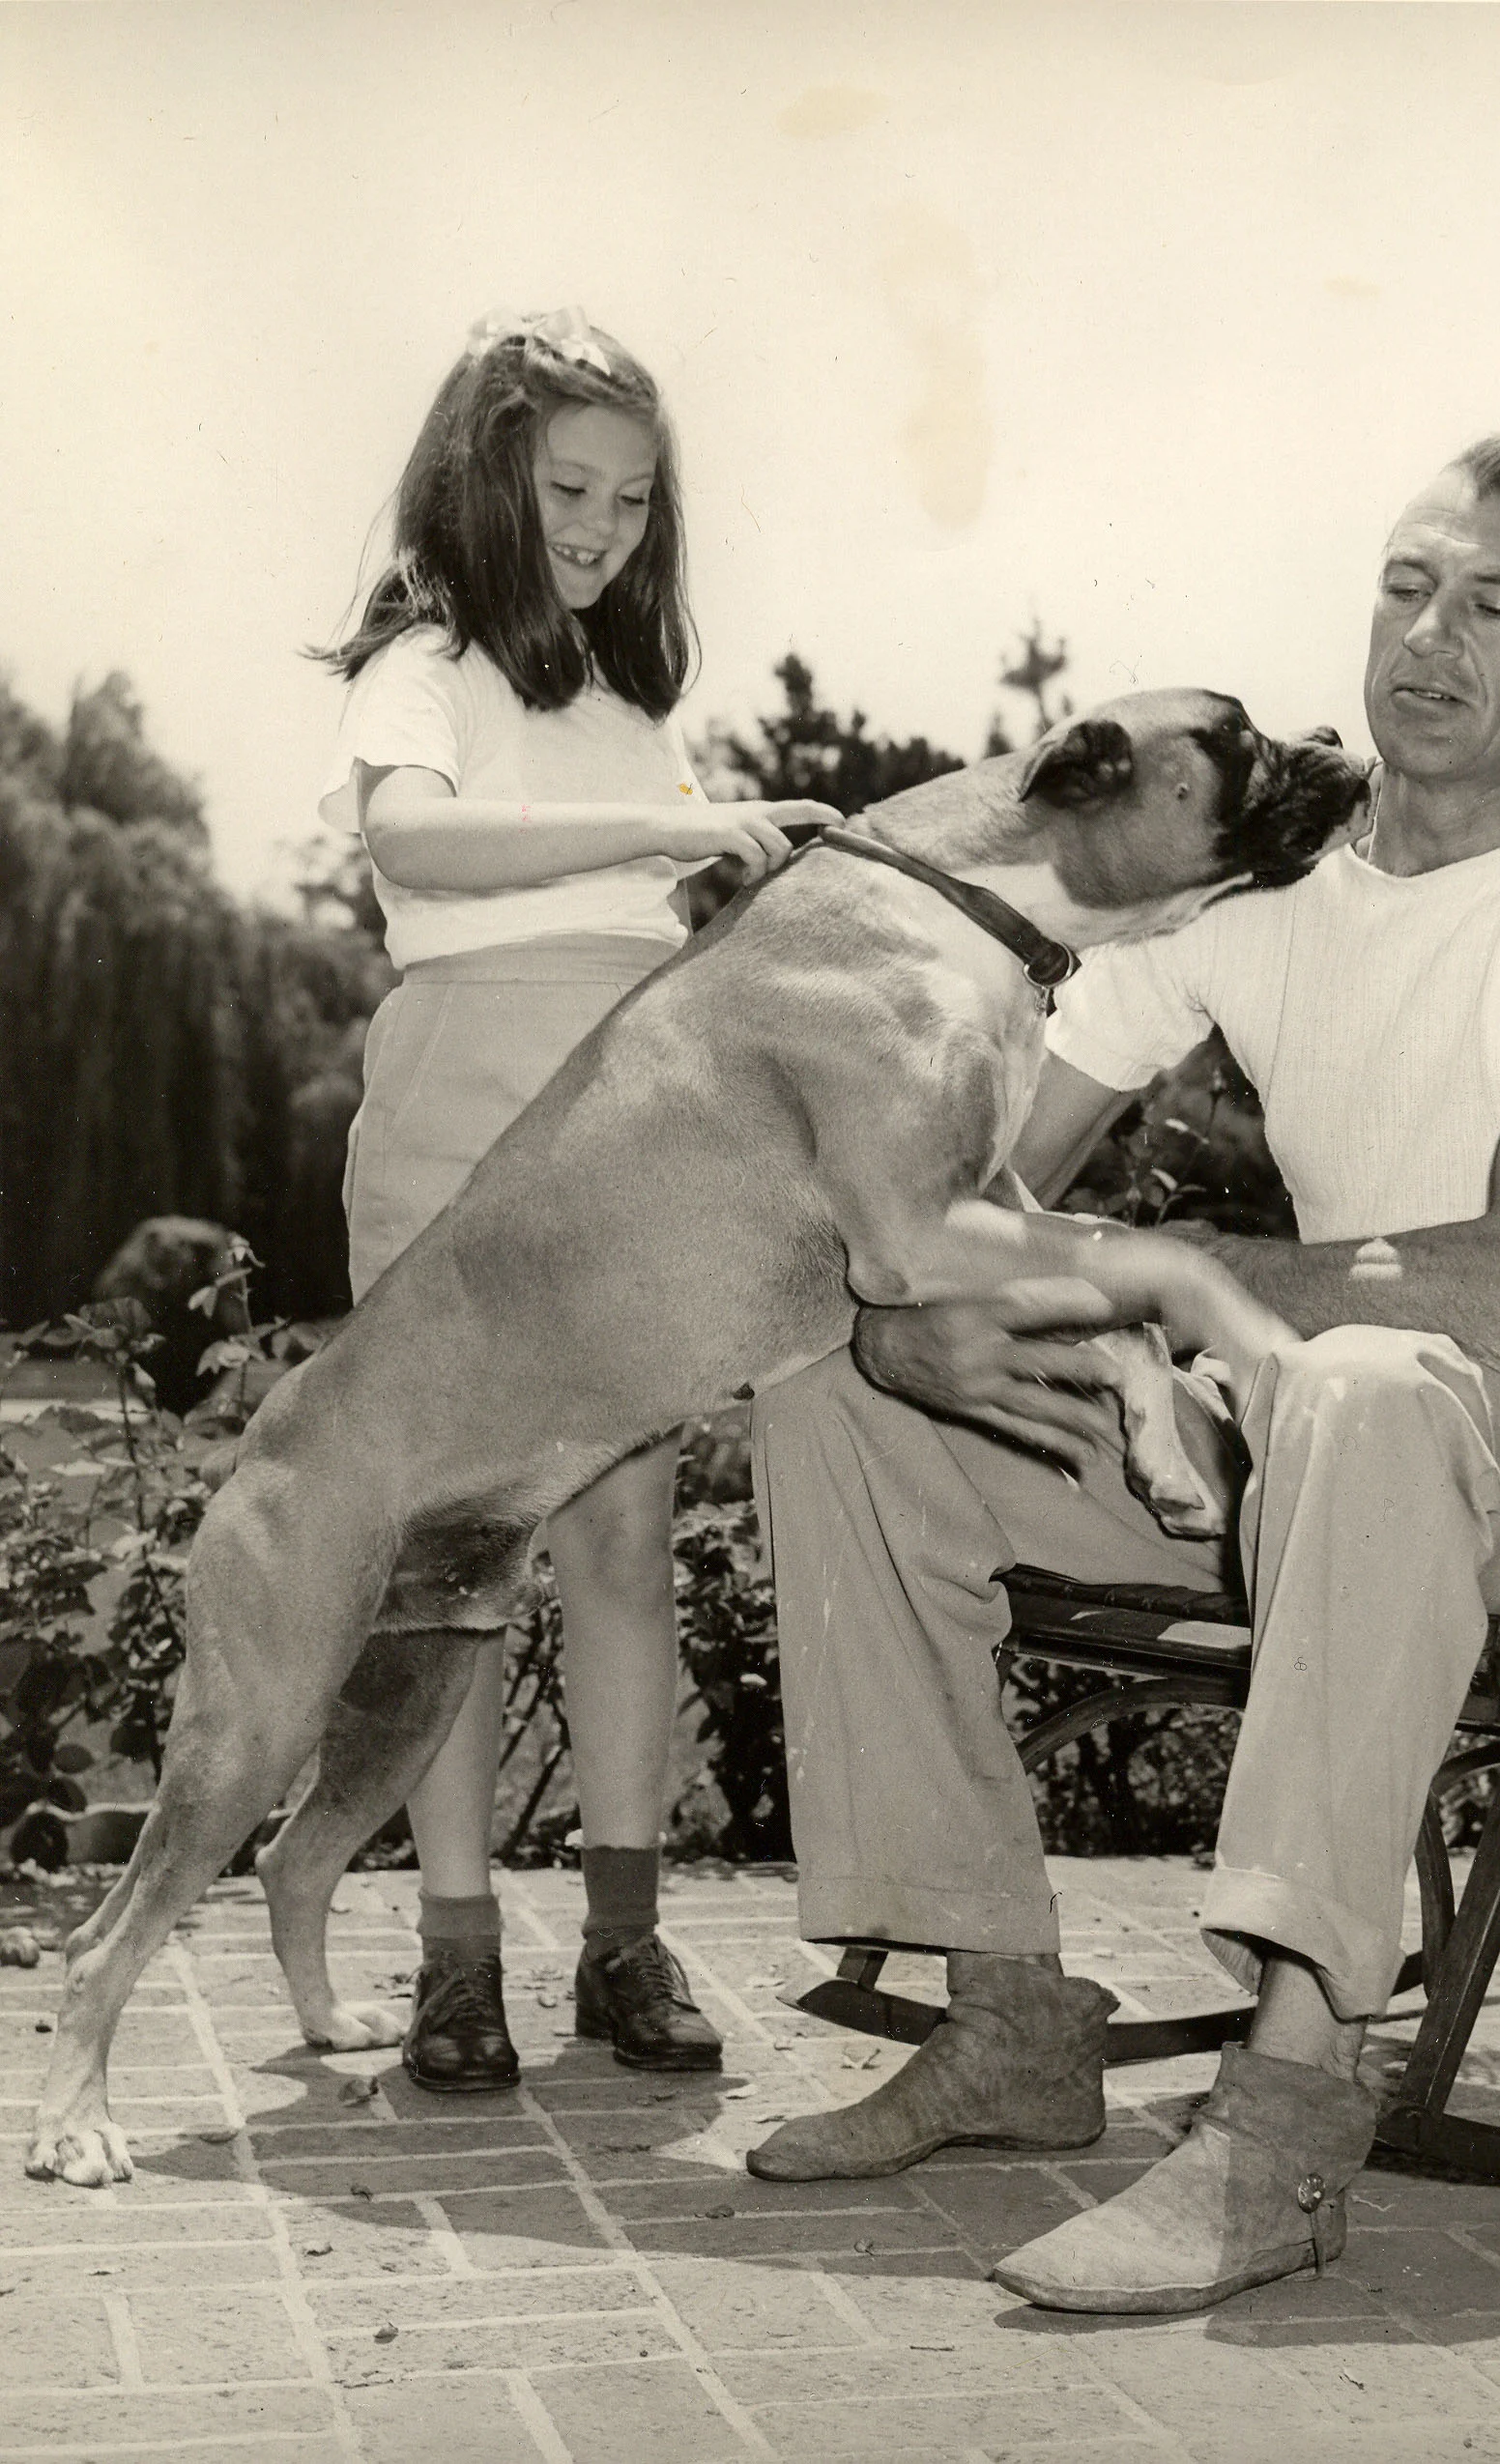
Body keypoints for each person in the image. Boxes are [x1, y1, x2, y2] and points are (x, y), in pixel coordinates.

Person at [743, 429, 1500, 2311]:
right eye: (1403, 585)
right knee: (837, 1391)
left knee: (1367, 1381)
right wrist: (906, 1279)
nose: (1424, 640)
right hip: (1298, 1425)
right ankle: (1005, 2012)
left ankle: (1281, 2130)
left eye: (1493, 604)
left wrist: (1178, 1272)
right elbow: (985, 1174)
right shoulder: (1260, 879)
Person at [304, 306, 836, 2091]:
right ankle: (459, 1959)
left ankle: (627, 1939)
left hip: (625, 1135)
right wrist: (664, 832)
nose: (599, 528)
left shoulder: (632, 704)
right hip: (462, 1114)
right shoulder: (428, 663)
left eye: (629, 497)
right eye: (564, 489)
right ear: (483, 480)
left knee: (619, 1539)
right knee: (453, 1562)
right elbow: (413, 841)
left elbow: (668, 920)